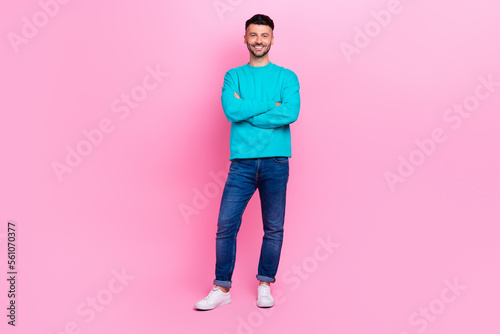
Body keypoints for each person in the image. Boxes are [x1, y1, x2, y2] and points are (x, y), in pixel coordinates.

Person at [194, 13, 300, 310]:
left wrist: (248, 111)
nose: (258, 41)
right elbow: (231, 110)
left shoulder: (287, 77)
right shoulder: (233, 76)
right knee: (226, 226)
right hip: (241, 163)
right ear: (245, 38)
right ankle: (221, 288)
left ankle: (265, 284)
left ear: (272, 39)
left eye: (264, 36)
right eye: (253, 35)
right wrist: (270, 105)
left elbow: (290, 113)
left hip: (276, 162)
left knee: (273, 227)